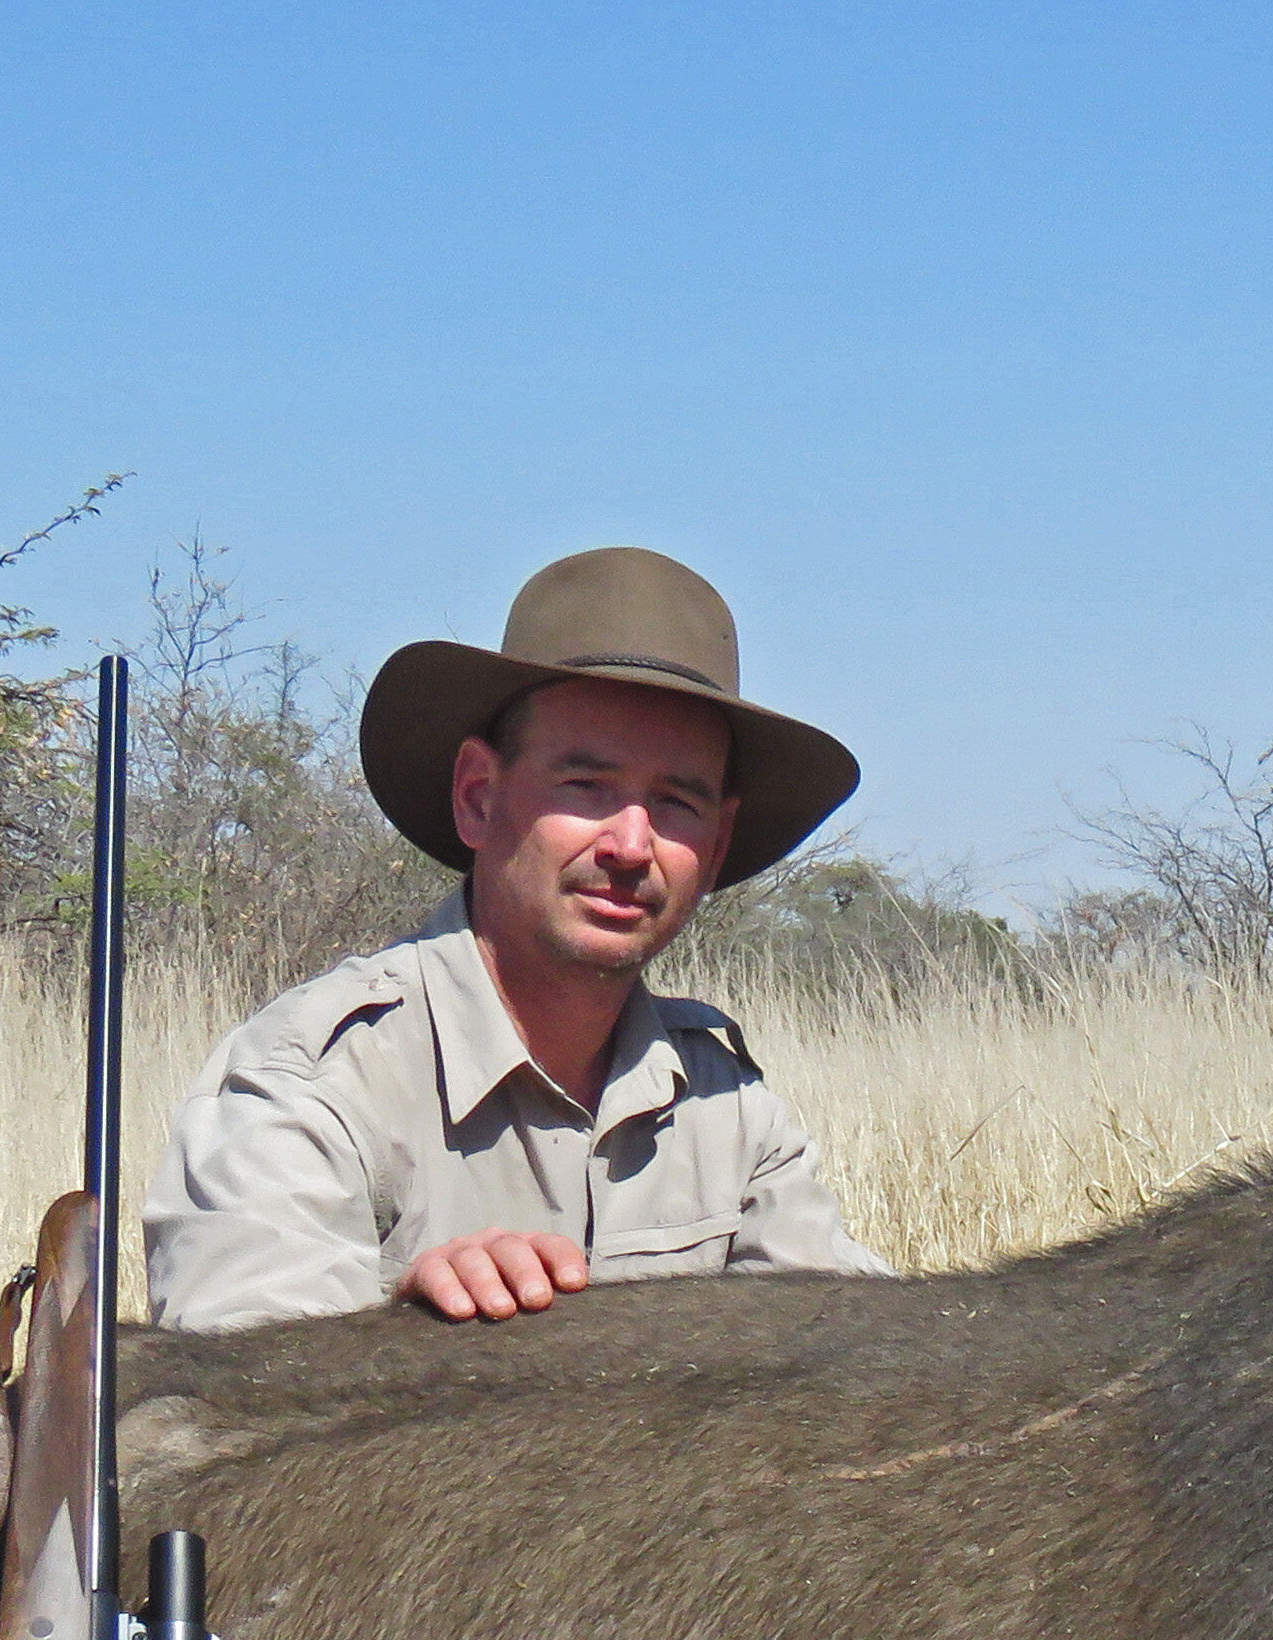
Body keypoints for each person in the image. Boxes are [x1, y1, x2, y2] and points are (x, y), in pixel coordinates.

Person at [144, 546, 895, 1332]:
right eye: (587, 786)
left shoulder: (726, 1103)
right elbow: (236, 1403)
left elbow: (847, 1357)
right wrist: (401, 1328)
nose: (631, 845)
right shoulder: (314, 1080)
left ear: (714, 847)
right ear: (478, 797)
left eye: (677, 802)